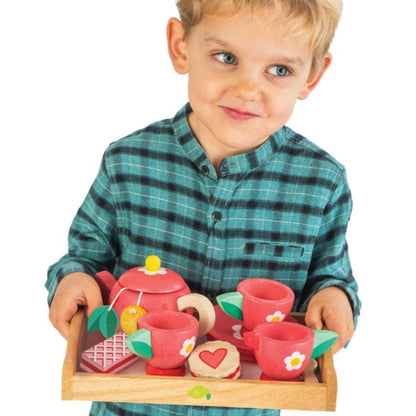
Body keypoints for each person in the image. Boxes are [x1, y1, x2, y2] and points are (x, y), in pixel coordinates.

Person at [46, 1, 360, 415]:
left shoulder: (322, 182)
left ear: (312, 75)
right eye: (226, 57)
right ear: (181, 46)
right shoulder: (127, 162)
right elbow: (84, 259)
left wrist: (335, 298)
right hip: (129, 406)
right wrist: (71, 281)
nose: (248, 90)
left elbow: (330, 280)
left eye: (279, 70)